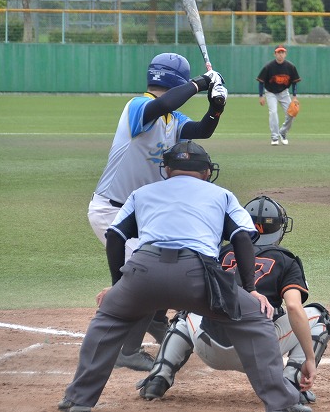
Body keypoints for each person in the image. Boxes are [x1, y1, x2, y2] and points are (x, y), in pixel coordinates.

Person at [58, 141, 311, 412]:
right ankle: (282, 403)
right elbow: (242, 238)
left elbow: (115, 236)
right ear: (206, 171)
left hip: (143, 273)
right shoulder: (222, 195)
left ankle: (78, 399)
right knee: (254, 320)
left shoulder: (142, 193)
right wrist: (250, 289)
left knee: (108, 319)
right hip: (197, 276)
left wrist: (118, 286)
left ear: (167, 169)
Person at [86, 52, 227, 371]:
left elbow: (203, 130)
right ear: (180, 80)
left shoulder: (173, 120)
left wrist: (216, 107)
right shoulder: (138, 107)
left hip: (142, 216)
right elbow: (162, 104)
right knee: (148, 275)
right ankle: (126, 350)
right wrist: (201, 83)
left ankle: (156, 320)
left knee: (166, 262)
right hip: (112, 212)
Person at [137, 195, 330, 406]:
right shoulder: (286, 260)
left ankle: (158, 377)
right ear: (279, 228)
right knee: (319, 316)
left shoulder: (219, 252)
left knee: (187, 312)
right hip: (259, 352)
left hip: (209, 347)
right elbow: (293, 307)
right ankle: (293, 384)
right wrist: (310, 358)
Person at [257, 45, 301, 146]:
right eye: (278, 52)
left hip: (284, 93)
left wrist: (294, 97)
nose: (280, 55)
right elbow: (261, 81)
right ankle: (274, 137)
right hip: (270, 92)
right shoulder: (269, 67)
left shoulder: (290, 67)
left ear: (285, 54)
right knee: (273, 113)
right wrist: (261, 96)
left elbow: (294, 82)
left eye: (282, 52)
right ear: (275, 54)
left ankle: (283, 132)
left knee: (292, 113)